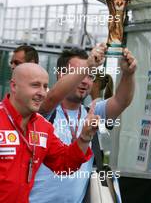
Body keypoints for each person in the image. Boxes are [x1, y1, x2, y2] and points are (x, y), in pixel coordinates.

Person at [30, 47, 137, 203]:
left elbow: (122, 101)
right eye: (80, 72)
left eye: (90, 75)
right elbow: (52, 97)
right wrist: (88, 64)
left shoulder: (93, 112)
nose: (86, 81)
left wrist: (128, 74)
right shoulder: (42, 110)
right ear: (61, 75)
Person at [0, 63, 101, 203]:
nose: (42, 93)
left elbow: (64, 164)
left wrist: (85, 137)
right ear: (14, 86)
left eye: (45, 86)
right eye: (35, 85)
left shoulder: (43, 127)